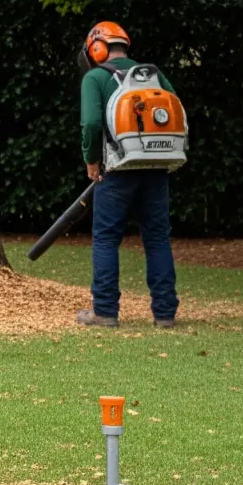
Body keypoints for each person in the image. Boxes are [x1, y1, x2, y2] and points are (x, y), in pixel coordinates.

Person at [76, 22, 178, 330]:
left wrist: (91, 161)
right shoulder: (153, 75)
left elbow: (92, 125)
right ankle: (165, 313)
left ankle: (105, 311)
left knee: (106, 238)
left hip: (117, 170)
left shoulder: (96, 77)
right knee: (158, 238)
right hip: (156, 167)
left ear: (96, 48)